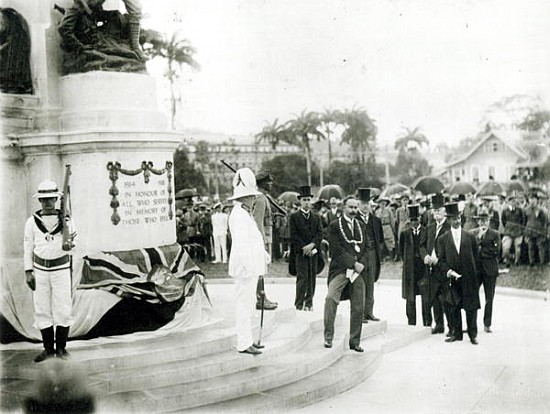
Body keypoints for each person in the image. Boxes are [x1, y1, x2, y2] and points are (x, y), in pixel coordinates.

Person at [24, 180, 76, 362]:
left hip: (60, 269)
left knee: (62, 308)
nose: (47, 202)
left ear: (56, 199)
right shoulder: (31, 222)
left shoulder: (67, 220)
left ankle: (61, 348)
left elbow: (73, 246)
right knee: (42, 309)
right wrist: (28, 271)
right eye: (44, 199)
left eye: (50, 199)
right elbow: (28, 247)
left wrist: (68, 238)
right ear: (39, 201)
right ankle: (48, 348)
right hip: (40, 270)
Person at [227, 168, 270, 355]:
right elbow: (242, 245)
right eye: (251, 196)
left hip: (251, 267)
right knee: (244, 306)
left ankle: (248, 340)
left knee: (248, 305)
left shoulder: (245, 214)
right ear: (244, 198)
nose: (254, 200)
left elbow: (254, 241)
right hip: (245, 269)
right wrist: (250, 266)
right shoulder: (238, 215)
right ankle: (244, 343)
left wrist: (263, 256)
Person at [323, 196, 367, 352]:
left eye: (356, 207)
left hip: (357, 271)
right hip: (340, 269)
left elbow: (365, 247)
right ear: (344, 208)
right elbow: (336, 250)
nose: (354, 211)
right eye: (351, 207)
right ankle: (328, 337)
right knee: (330, 298)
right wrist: (353, 263)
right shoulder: (335, 225)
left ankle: (355, 341)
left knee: (358, 306)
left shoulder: (361, 226)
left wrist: (360, 264)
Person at [437, 202, 481, 345]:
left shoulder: (470, 237)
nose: (457, 221)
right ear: (449, 220)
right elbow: (441, 260)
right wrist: (448, 271)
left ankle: (472, 334)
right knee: (454, 306)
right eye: (454, 219)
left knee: (471, 307)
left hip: (469, 278)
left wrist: (476, 276)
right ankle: (457, 333)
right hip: (453, 279)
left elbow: (476, 258)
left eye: (458, 218)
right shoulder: (443, 239)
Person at [289, 186, 324, 311]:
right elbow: (293, 235)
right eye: (304, 200)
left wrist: (312, 245)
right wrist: (304, 247)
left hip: (313, 251)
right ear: (300, 201)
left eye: (309, 200)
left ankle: (309, 302)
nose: (307, 202)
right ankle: (299, 303)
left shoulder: (316, 217)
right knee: (302, 278)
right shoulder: (294, 217)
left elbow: (320, 234)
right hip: (301, 252)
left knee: (312, 277)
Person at [423, 193, 451, 335]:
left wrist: (438, 259)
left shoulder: (449, 227)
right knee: (434, 296)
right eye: (434, 210)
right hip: (431, 267)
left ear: (445, 211)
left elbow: (451, 248)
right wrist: (425, 256)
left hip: (443, 266)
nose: (436, 213)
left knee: (446, 297)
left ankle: (451, 326)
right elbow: (422, 245)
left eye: (439, 210)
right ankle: (438, 324)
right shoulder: (430, 227)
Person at [399, 204, 430, 326]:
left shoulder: (426, 231)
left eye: (416, 219)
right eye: (411, 220)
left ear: (420, 219)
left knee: (425, 296)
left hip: (423, 268)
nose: (414, 222)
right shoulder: (405, 234)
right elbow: (401, 251)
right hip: (410, 268)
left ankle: (427, 322)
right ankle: (411, 323)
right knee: (410, 297)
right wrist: (407, 262)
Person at [355, 188, 383, 323]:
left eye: (368, 202)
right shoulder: (354, 219)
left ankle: (369, 312)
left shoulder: (376, 220)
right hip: (359, 255)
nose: (365, 206)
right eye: (362, 203)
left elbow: (380, 240)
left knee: (371, 283)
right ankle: (359, 315)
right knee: (360, 284)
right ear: (358, 204)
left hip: (372, 254)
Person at [471, 210, 501, 333]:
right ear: (478, 221)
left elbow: (496, 251)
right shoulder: (472, 233)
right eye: (481, 220)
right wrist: (479, 238)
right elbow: (471, 250)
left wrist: (481, 250)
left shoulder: (495, 234)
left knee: (489, 298)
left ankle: (487, 324)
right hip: (476, 270)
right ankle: (472, 323)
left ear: (489, 221)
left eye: (486, 220)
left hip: (490, 269)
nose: (483, 223)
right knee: (473, 296)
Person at [252, 171, 278, 310]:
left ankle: (261, 297)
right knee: (260, 269)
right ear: (263, 184)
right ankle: (261, 299)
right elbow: (258, 222)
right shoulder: (261, 199)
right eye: (269, 182)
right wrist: (261, 243)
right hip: (263, 239)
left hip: (264, 238)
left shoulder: (261, 197)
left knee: (261, 269)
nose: (271, 184)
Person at [523, 195, 547, 266]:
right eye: (530, 199)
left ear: (537, 200)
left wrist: (543, 230)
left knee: (540, 246)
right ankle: (531, 262)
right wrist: (526, 231)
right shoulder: (526, 209)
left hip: (539, 231)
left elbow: (544, 221)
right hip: (530, 231)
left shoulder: (541, 210)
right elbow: (524, 221)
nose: (532, 201)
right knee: (530, 247)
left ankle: (542, 261)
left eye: (533, 199)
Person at [501, 195, 525, 267]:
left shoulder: (519, 210)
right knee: (506, 248)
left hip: (518, 232)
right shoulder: (505, 210)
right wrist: (507, 227)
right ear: (508, 202)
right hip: (508, 232)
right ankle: (508, 261)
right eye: (511, 201)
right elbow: (503, 220)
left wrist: (521, 229)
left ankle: (516, 261)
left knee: (518, 248)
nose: (513, 203)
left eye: (514, 201)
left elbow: (523, 220)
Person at [375, 196, 396, 261]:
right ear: (379, 204)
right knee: (381, 243)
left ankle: (392, 257)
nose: (383, 205)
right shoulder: (377, 212)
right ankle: (382, 258)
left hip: (387, 227)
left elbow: (392, 220)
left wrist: (393, 229)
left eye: (384, 203)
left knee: (390, 242)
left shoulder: (388, 210)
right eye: (381, 203)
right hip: (380, 228)